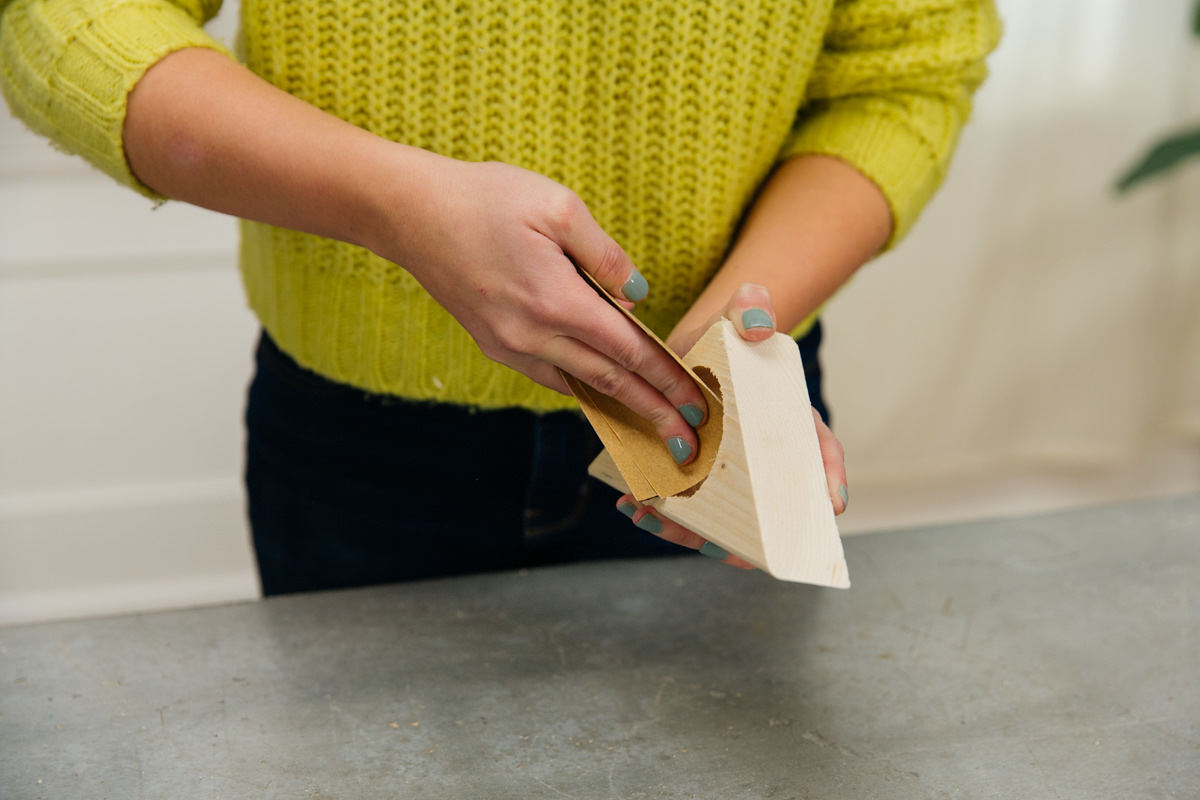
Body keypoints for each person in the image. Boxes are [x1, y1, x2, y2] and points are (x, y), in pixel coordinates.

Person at [0, 0, 1001, 593]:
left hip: (714, 432)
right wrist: (401, 204)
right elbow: (64, 21)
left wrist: (729, 338)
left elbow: (904, 74)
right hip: (360, 452)